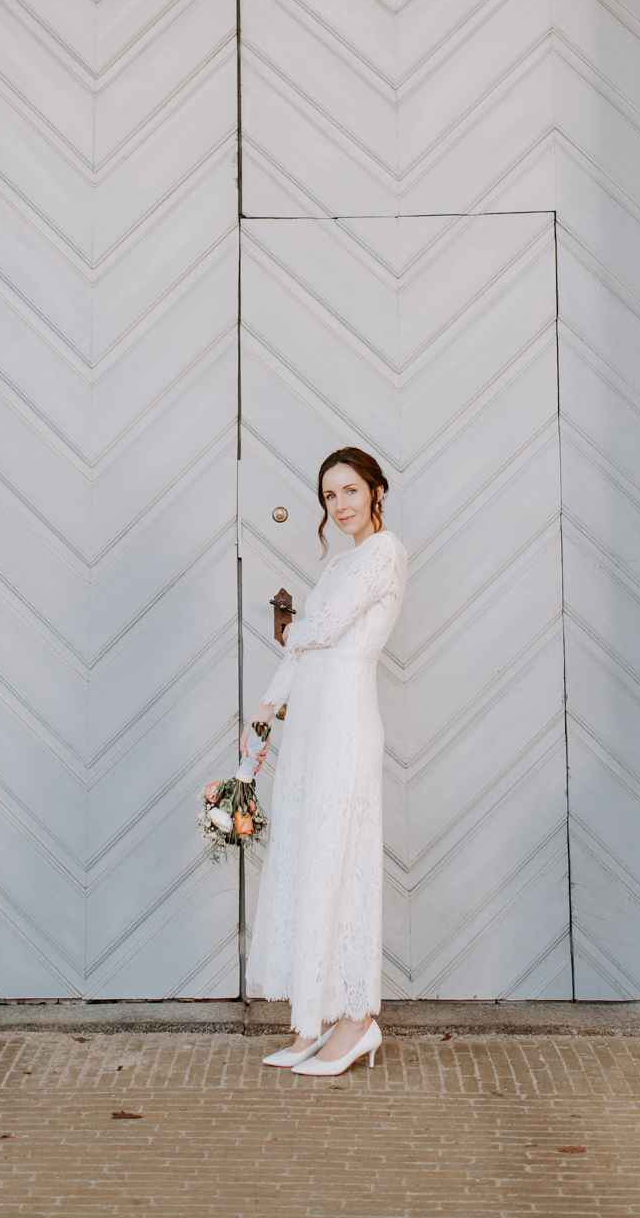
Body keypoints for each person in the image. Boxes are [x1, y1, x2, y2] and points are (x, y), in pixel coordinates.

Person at [240, 447, 407, 1076]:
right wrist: (265, 706)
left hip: (345, 720)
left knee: (343, 858)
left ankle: (360, 1020)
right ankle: (325, 1017)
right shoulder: (338, 564)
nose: (339, 505)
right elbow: (303, 647)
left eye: (349, 491)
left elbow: (324, 630)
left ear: (377, 490)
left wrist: (298, 633)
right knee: (312, 858)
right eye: (328, 496)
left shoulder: (384, 553)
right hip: (311, 723)